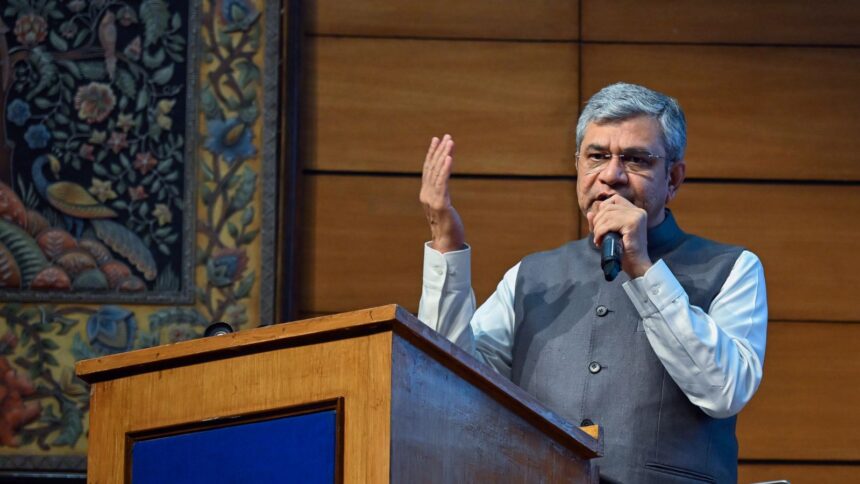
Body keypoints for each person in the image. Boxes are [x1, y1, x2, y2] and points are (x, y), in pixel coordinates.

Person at [417, 82, 767, 483]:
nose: (612, 175)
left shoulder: (732, 269)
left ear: (673, 178)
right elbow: (447, 384)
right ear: (578, 167)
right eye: (597, 156)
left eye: (635, 160)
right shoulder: (530, 276)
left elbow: (724, 391)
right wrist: (446, 244)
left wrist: (644, 269)